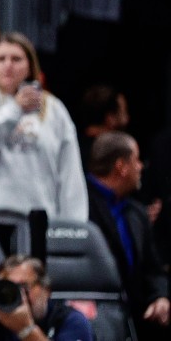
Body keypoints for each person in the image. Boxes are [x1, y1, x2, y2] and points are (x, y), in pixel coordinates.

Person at [0, 33, 88, 233]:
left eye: (16, 59)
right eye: (0, 59)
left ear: (30, 66)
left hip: (36, 220)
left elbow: (69, 172)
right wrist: (14, 110)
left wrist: (75, 227)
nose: (8, 65)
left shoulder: (54, 108)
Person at [85, 132, 170, 335]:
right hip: (93, 316)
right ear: (121, 166)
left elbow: (153, 269)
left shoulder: (137, 213)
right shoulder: (80, 203)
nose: (141, 167)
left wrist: (161, 296)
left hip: (137, 316)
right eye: (136, 160)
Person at [0, 255, 94, 341]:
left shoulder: (70, 321)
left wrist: (26, 330)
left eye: (23, 287)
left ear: (46, 290)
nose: (17, 295)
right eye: (8, 288)